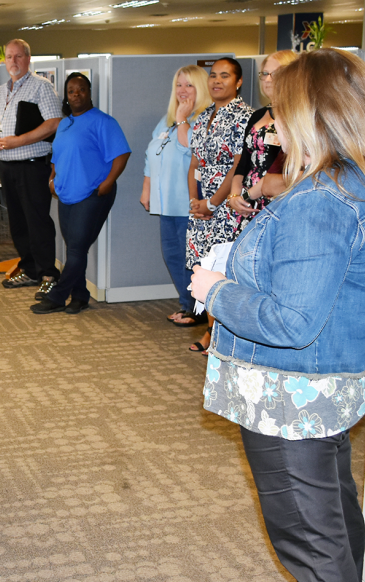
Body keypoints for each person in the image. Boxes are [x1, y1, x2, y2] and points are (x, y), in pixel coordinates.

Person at [190, 48, 365, 582]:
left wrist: (217, 291)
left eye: (280, 111)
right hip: (318, 394)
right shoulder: (349, 181)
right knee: (336, 535)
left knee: (318, 556)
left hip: (288, 397)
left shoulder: (321, 201)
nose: (270, 125)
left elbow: (292, 321)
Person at [33, 73, 130, 315]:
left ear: (89, 92)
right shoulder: (65, 123)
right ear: (66, 96)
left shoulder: (103, 122)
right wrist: (52, 179)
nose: (76, 94)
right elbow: (58, 155)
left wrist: (108, 183)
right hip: (66, 194)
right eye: (71, 91)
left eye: (81, 89)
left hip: (93, 194)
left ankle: (57, 296)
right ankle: (80, 296)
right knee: (75, 249)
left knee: (75, 250)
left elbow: (122, 154)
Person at [0, 39, 63, 292]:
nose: (13, 62)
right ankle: (29, 270)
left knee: (37, 221)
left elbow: (54, 123)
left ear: (28, 59)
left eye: (19, 57)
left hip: (32, 165)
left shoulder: (42, 87)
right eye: (9, 57)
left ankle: (48, 275)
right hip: (7, 167)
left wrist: (17, 141)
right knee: (17, 223)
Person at [185, 57, 252, 355]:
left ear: (238, 82)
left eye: (225, 76)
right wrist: (195, 202)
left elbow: (238, 165)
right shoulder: (203, 116)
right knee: (203, 268)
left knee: (223, 269)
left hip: (227, 205)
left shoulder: (245, 116)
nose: (216, 81)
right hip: (201, 205)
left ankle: (220, 334)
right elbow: (195, 162)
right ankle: (211, 328)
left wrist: (211, 203)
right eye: (213, 75)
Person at [140, 65, 212, 327]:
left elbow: (189, 148)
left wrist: (183, 119)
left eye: (189, 85)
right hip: (166, 201)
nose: (182, 90)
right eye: (179, 85)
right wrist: (147, 188)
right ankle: (186, 304)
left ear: (201, 89)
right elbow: (151, 153)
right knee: (172, 255)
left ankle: (197, 309)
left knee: (189, 258)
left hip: (188, 203)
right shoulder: (168, 119)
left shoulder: (204, 119)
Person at [225, 50, 298, 234]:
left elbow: (293, 166)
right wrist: (235, 196)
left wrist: (250, 195)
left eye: (276, 73)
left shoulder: (298, 117)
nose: (268, 79)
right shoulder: (257, 115)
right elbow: (244, 161)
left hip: (278, 200)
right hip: (248, 202)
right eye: (265, 73)